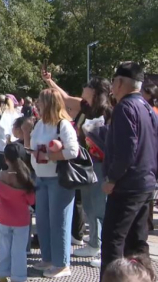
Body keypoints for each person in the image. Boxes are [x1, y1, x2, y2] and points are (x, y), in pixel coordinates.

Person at [43, 71, 113, 259]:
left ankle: (106, 248)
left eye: (87, 86)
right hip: (84, 163)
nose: (83, 88)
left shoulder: (108, 111)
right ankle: (94, 244)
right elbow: (64, 98)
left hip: (100, 163)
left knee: (100, 207)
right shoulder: (84, 106)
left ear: (96, 91)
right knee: (89, 205)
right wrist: (49, 81)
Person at [100, 62, 158, 280]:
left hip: (127, 185)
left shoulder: (125, 107)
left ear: (121, 82)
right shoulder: (147, 108)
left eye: (113, 81)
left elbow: (127, 149)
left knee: (114, 241)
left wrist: (112, 179)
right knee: (138, 242)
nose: (112, 87)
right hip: (145, 183)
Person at [22, 88, 79, 278]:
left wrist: (50, 155)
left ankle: (62, 263)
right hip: (40, 177)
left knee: (59, 222)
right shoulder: (40, 124)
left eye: (41, 100)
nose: (38, 103)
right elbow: (31, 148)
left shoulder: (63, 125)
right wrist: (26, 135)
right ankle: (48, 258)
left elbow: (73, 151)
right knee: (43, 221)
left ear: (50, 103)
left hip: (58, 179)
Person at [0, 143, 36, 282]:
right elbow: (31, 200)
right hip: (21, 220)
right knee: (19, 251)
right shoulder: (25, 178)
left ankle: (2, 274)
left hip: (4, 218)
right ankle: (19, 277)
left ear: (5, 158)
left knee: (3, 248)